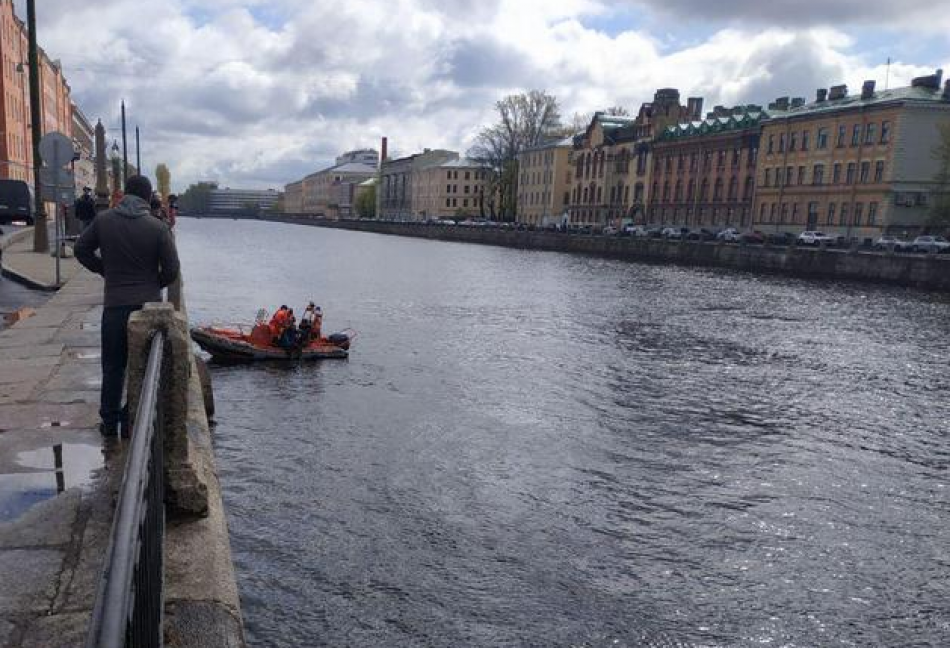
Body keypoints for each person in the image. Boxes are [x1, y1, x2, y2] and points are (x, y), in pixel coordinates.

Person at [74, 175, 180, 437]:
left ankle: (108, 422)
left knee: (112, 366)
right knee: (144, 366)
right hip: (147, 308)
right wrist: (154, 283)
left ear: (124, 195)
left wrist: (105, 271)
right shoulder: (157, 228)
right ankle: (131, 419)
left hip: (115, 306)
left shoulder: (104, 221)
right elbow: (172, 270)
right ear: (147, 198)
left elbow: (80, 250)